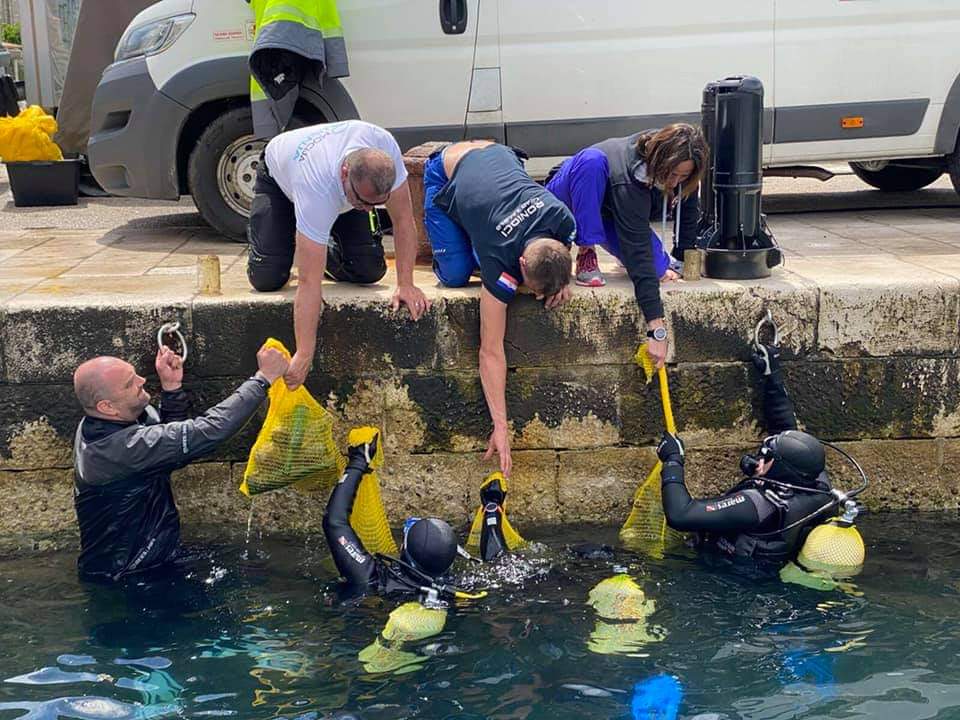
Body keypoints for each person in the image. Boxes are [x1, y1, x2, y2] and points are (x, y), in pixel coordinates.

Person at [422, 140, 578, 476]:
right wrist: (501, 427)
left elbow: (563, 255)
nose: (530, 297)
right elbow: (489, 351)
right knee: (455, 275)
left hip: (499, 153)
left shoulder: (563, 220)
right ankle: (454, 215)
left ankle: (471, 221)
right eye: (528, 288)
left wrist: (559, 282)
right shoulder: (498, 255)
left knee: (487, 254)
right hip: (447, 169)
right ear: (520, 262)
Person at [72, 344, 289, 582]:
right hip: (127, 576)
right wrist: (263, 379)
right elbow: (209, 430)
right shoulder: (116, 450)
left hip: (153, 558)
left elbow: (167, 450)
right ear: (107, 406)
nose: (143, 380)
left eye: (135, 374)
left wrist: (171, 388)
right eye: (130, 383)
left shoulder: (102, 423)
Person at [247, 119, 431, 389]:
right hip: (280, 180)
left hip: (342, 195)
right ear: (345, 172)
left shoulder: (384, 148)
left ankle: (318, 250)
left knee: (368, 270)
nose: (369, 210)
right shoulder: (317, 186)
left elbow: (404, 220)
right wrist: (304, 354)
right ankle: (286, 241)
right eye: (365, 202)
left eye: (377, 204)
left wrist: (406, 283)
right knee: (268, 277)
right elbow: (309, 283)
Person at [654, 340, 842, 571]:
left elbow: (681, 515)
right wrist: (772, 375)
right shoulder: (817, 483)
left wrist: (673, 460)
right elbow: (787, 431)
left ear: (779, 467)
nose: (758, 457)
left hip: (733, 579)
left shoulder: (756, 506)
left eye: (765, 455)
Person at [546, 124, 709, 368]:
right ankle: (586, 250)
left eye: (682, 176)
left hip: (611, 211)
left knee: (657, 268)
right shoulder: (630, 176)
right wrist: (657, 329)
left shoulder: (684, 169)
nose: (675, 181)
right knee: (592, 162)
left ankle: (615, 245)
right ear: (660, 160)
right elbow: (638, 246)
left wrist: (681, 256)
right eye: (672, 174)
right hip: (572, 193)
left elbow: (687, 209)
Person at [322, 427, 517, 599]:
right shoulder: (462, 589)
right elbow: (499, 561)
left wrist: (358, 461)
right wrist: (492, 509)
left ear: (405, 551)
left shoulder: (374, 580)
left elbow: (334, 522)